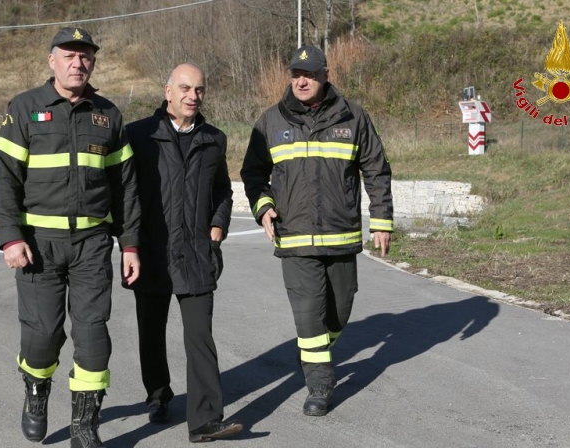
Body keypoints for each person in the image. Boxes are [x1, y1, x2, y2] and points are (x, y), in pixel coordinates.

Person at [0, 27, 141, 448]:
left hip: (92, 243)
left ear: (93, 62)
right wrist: (10, 237)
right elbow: (5, 181)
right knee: (42, 337)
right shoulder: (24, 109)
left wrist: (129, 245)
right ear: (51, 60)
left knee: (94, 334)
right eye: (69, 56)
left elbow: (125, 185)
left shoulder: (108, 115)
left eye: (86, 56)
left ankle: (84, 424)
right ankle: (36, 394)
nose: (78, 63)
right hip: (39, 244)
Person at [240, 45, 394, 417]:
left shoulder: (353, 117)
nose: (301, 81)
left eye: (309, 74)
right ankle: (320, 384)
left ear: (326, 74)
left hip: (341, 237)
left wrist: (382, 220)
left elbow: (376, 168)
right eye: (295, 74)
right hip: (293, 237)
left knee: (339, 312)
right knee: (308, 315)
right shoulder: (270, 122)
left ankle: (314, 351)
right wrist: (264, 208)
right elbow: (253, 174)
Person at [124, 63, 242, 443]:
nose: (194, 96)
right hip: (152, 253)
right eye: (186, 88)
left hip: (197, 253)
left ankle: (206, 419)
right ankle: (158, 396)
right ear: (168, 91)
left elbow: (223, 188)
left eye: (200, 90)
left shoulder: (214, 138)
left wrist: (218, 227)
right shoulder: (138, 135)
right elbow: (123, 192)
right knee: (152, 334)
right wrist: (129, 241)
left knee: (200, 336)